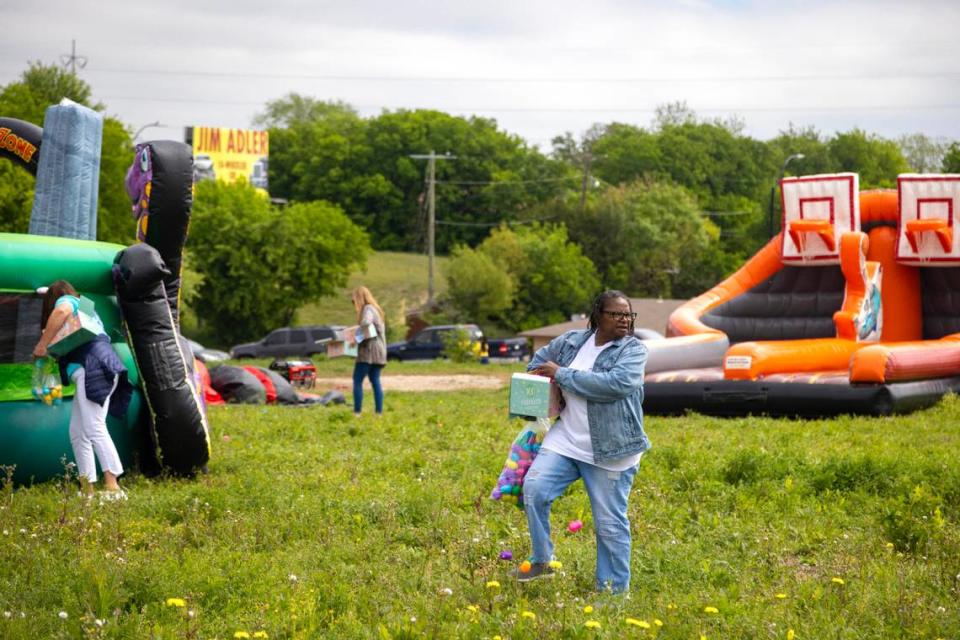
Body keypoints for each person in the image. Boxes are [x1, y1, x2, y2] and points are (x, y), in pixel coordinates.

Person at [512, 290, 649, 594]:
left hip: (612, 450)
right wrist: (549, 387)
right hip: (566, 441)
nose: (624, 320)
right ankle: (542, 560)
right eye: (616, 314)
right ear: (598, 315)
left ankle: (612, 593)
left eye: (628, 315)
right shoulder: (573, 341)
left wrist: (561, 375)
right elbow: (535, 364)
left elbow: (615, 385)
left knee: (609, 525)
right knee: (535, 488)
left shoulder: (633, 351)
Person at [32, 280, 132, 498]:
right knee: (78, 432)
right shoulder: (87, 308)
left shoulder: (68, 301)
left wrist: (42, 344)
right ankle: (87, 488)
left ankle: (113, 486)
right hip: (100, 367)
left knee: (94, 427)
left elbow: (61, 310)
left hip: (93, 369)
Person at [349, 286, 387, 416]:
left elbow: (366, 323)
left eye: (354, 301)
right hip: (380, 350)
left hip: (368, 350)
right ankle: (378, 413)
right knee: (375, 380)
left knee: (357, 380)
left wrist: (356, 338)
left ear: (360, 298)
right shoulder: (377, 310)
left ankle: (357, 413)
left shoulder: (368, 309)